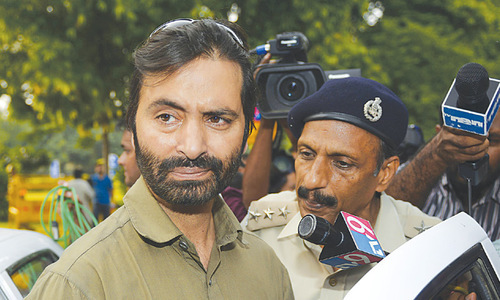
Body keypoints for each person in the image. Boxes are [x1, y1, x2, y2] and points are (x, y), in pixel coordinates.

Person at [26, 18, 293, 299]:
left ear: (246, 130)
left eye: (217, 119)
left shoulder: (268, 269)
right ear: (134, 124)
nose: (192, 147)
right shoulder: (79, 284)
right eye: (166, 117)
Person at [242, 77, 442, 299]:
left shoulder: (428, 248)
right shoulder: (262, 227)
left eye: (342, 164)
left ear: (385, 173)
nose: (311, 181)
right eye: (306, 154)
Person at [386, 112, 500, 241]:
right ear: (439, 137)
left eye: (490, 140)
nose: (473, 151)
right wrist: (436, 156)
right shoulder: (418, 169)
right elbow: (382, 212)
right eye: (460, 137)